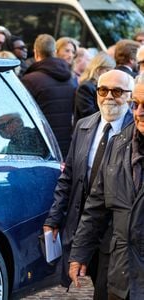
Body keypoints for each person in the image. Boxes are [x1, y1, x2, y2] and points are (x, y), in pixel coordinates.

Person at [44, 69, 134, 300]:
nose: (109, 96)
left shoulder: (135, 131)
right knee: (92, 277)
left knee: (107, 289)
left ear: (130, 96)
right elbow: (69, 176)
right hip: (84, 222)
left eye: (117, 91)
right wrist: (54, 217)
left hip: (116, 230)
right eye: (103, 90)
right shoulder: (85, 126)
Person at [68, 73, 144, 299]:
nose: (139, 113)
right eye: (136, 105)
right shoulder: (118, 145)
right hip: (121, 272)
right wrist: (80, 253)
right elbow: (96, 206)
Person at [22, 34, 75, 158]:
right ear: (55, 52)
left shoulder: (30, 80)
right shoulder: (70, 79)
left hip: (42, 144)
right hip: (66, 142)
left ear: (36, 52)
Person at [74, 51, 116, 125]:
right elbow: (88, 114)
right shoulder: (85, 87)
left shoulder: (104, 86)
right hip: (87, 130)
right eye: (107, 70)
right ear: (98, 69)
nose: (110, 74)